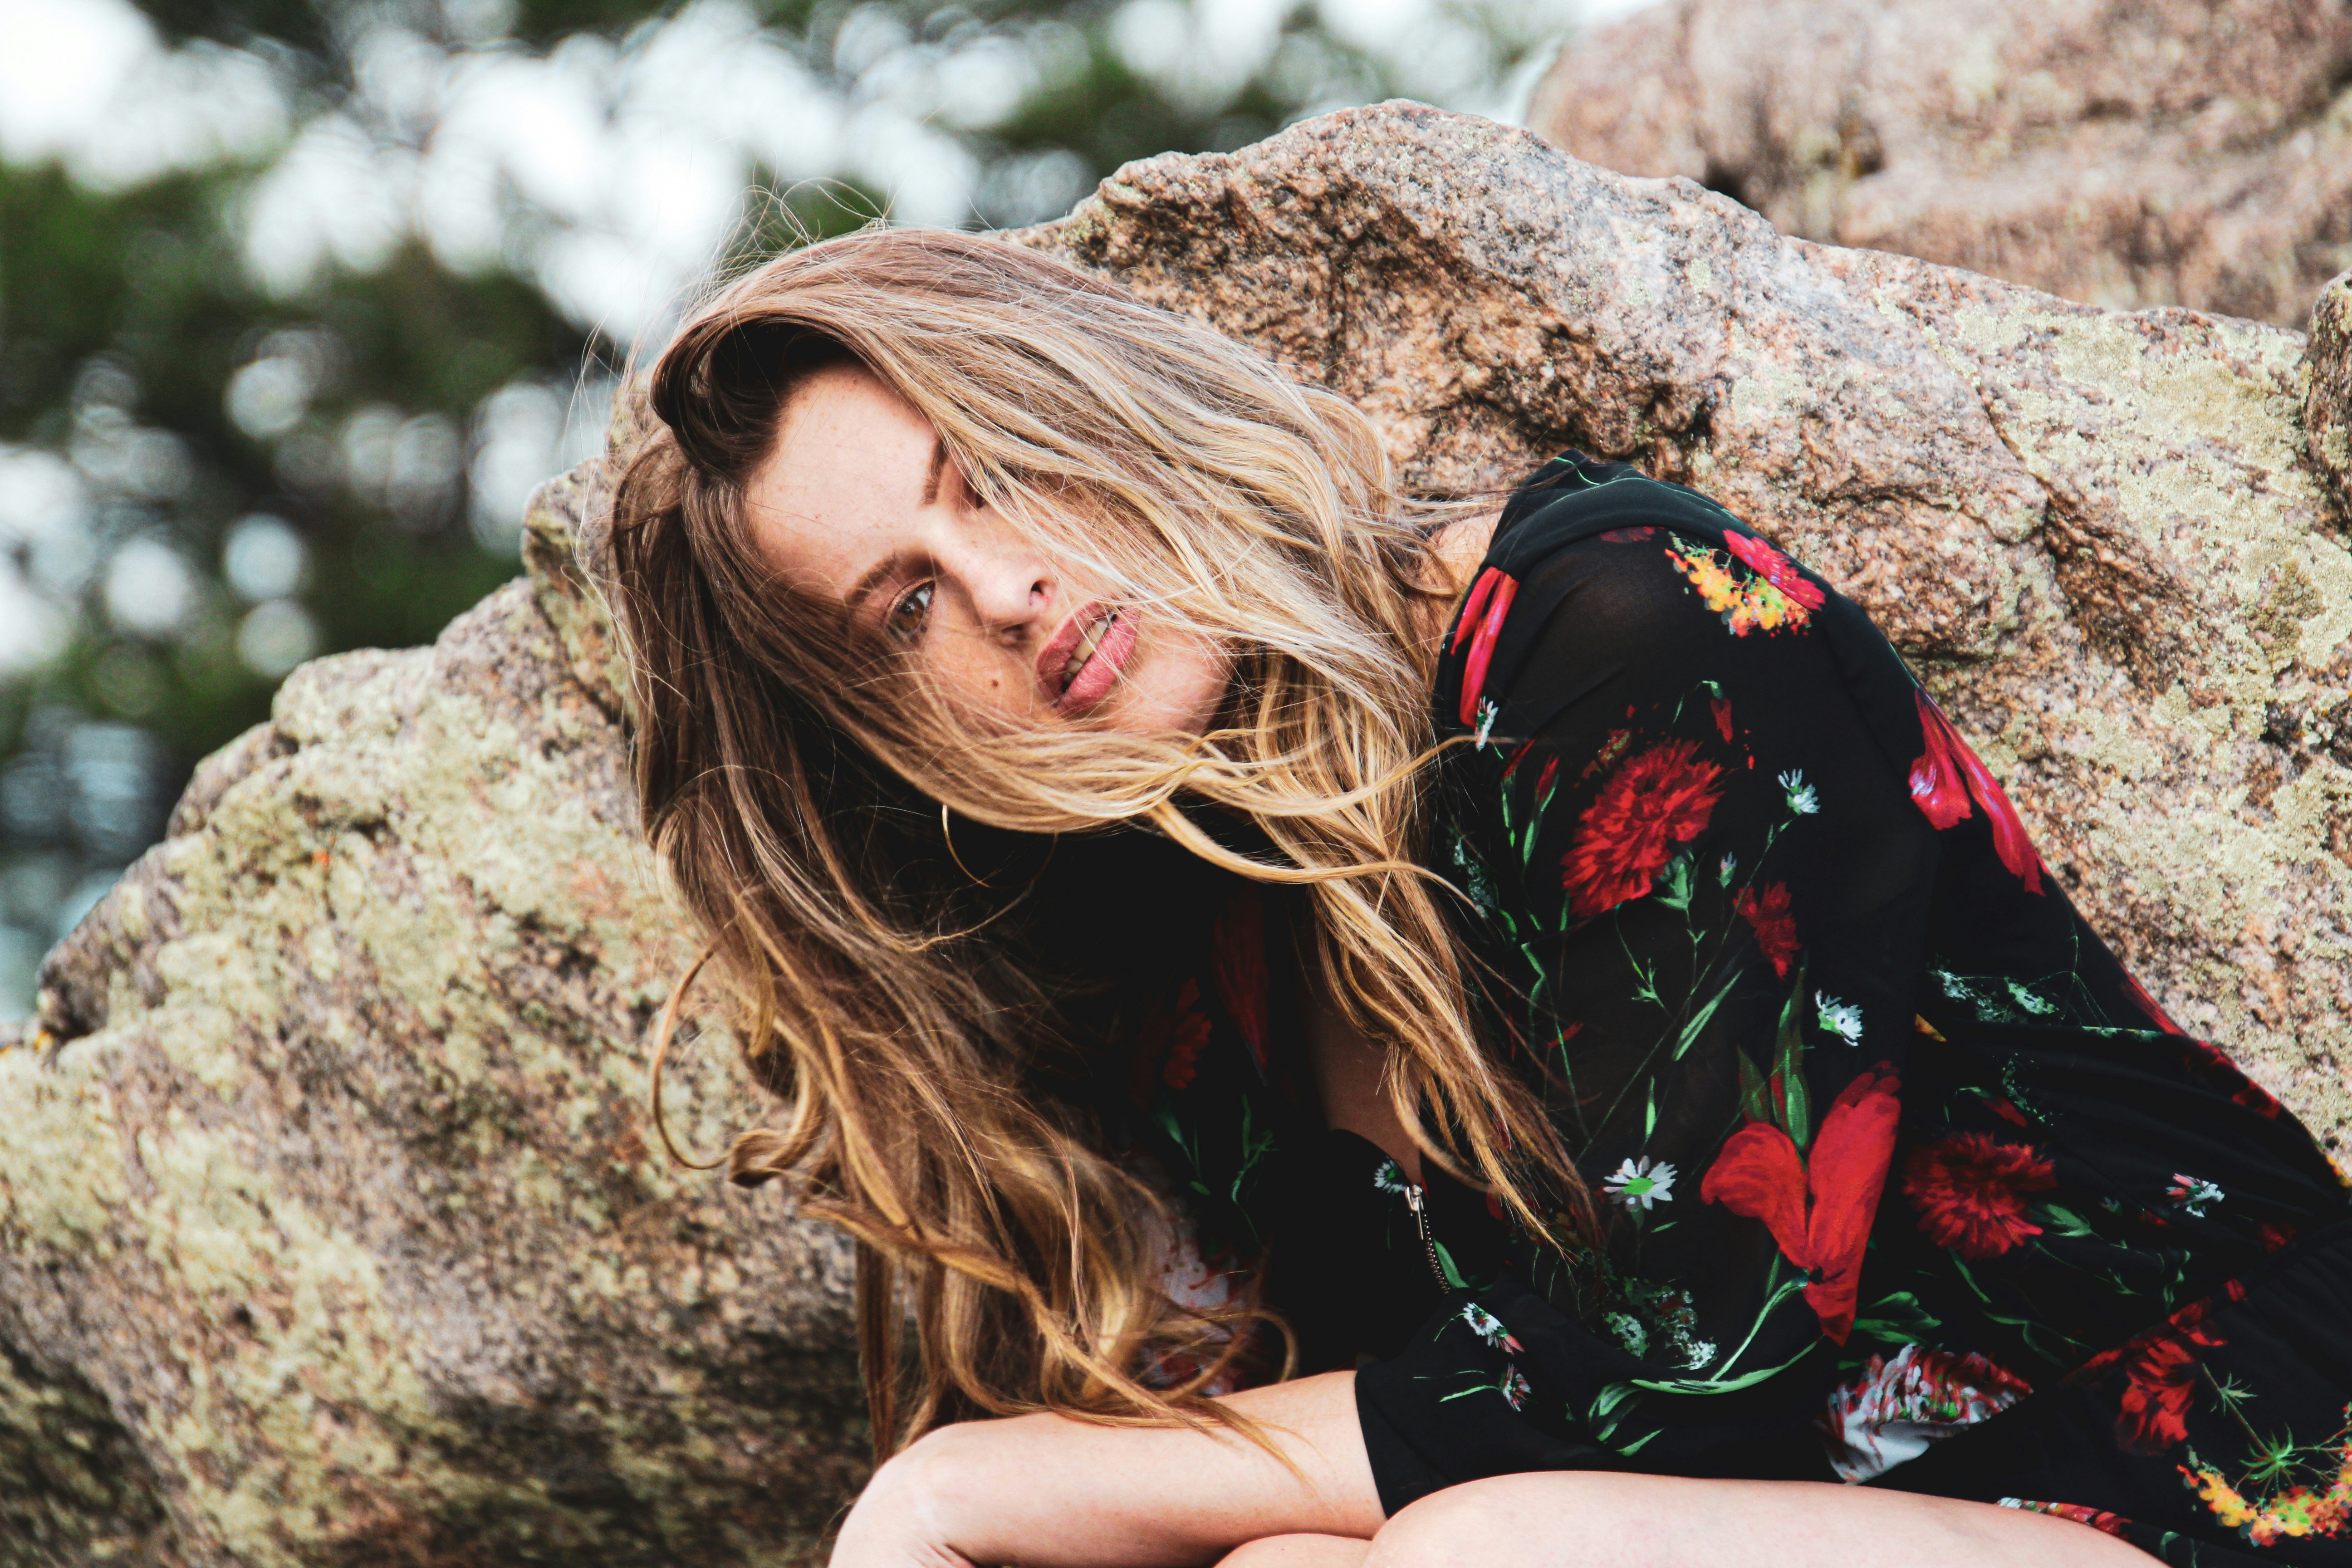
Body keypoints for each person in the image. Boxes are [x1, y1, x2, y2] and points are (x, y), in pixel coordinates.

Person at [604, 225, 2352, 1568]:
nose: (1000, 587)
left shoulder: (1620, 636)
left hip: (2228, 1485)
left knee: (1485, 1549)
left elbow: (1689, 1361)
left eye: (990, 467)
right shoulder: (1189, 964)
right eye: (899, 613)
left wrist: (974, 1482)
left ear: (1096, 394)